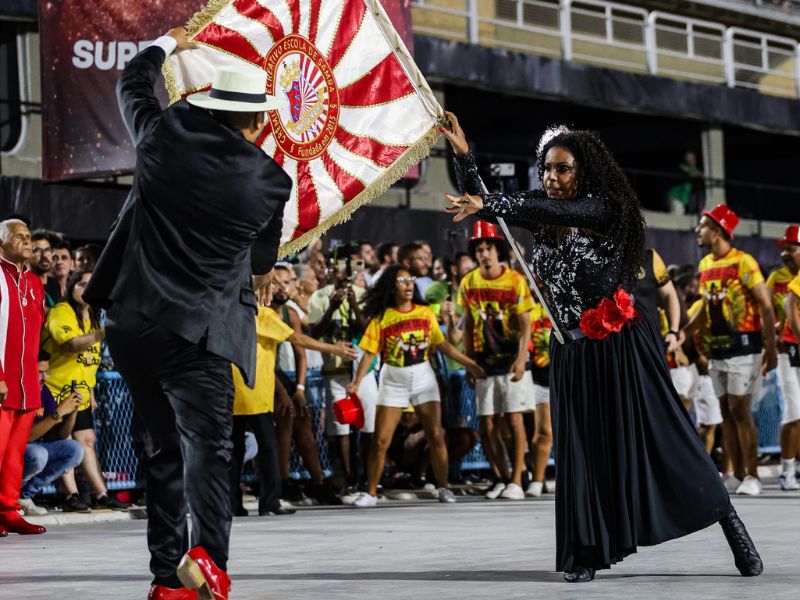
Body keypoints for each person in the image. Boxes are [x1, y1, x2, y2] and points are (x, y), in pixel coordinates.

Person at [441, 113, 761, 582]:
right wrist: (465, 154)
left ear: (584, 170)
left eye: (563, 168)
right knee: (583, 455)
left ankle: (729, 522)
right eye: (547, 168)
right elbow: (495, 206)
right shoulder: (539, 206)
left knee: (666, 442)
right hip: (573, 352)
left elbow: (550, 212)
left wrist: (491, 202)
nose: (551, 177)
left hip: (623, 349)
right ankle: (585, 554)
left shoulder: (604, 210)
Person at [83, 28, 292, 600]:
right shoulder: (272, 181)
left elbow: (132, 79)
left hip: (130, 324)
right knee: (209, 448)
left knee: (163, 448)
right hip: (198, 331)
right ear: (258, 123)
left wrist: (167, 44)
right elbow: (260, 261)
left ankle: (163, 577)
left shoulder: (161, 135)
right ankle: (209, 562)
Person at [346, 265, 486, 506]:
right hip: (393, 378)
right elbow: (369, 353)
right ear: (392, 287)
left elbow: (444, 346)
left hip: (423, 376)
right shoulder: (383, 317)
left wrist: (470, 364)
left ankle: (443, 488)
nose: (408, 284)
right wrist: (356, 382)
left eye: (410, 280)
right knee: (380, 440)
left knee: (436, 434)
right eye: (402, 281)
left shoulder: (424, 313)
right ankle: (370, 493)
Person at [229, 274, 356, 517]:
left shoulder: (234, 309)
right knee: (268, 448)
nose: (278, 286)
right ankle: (270, 501)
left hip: (234, 391)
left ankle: (233, 504)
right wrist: (334, 348)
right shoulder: (262, 313)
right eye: (274, 282)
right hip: (255, 393)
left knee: (234, 451)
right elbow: (296, 339)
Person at [689, 204, 777, 496]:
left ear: (717, 231)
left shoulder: (744, 262)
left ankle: (752, 474)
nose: (697, 230)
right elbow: (703, 309)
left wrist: (770, 348)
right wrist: (684, 334)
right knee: (726, 411)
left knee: (740, 409)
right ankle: (735, 473)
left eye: (702, 226)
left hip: (744, 347)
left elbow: (765, 305)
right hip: (718, 349)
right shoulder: (704, 266)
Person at [459, 221, 535, 501]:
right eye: (479, 249)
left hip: (512, 361)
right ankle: (501, 476)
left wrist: (520, 359)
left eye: (488, 247)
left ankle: (517, 478)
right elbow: (467, 325)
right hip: (484, 362)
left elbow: (526, 324)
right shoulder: (469, 282)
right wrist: (469, 362)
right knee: (487, 423)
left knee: (514, 419)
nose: (483, 253)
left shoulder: (514, 280)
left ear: (498, 249)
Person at [42, 270, 125, 510]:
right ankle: (72, 495)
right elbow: (71, 344)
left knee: (87, 440)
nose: (86, 290)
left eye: (91, 285)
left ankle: (101, 494)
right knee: (65, 441)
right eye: (81, 284)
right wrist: (101, 333)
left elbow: (91, 360)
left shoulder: (95, 316)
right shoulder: (62, 311)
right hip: (56, 390)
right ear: (71, 287)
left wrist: (89, 389)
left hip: (80, 391)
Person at [0, 219, 47, 537]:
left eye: (29, 237)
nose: (27, 242)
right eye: (19, 237)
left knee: (15, 454)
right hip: (3, 383)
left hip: (27, 384)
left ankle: (8, 510)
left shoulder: (34, 282)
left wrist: (36, 379)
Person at [20, 353, 84, 517]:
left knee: (74, 449)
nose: (45, 378)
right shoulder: (20, 390)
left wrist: (72, 411)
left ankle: (24, 496)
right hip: (18, 448)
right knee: (38, 454)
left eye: (47, 372)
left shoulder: (44, 390)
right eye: (40, 372)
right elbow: (26, 438)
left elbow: (58, 436)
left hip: (35, 447)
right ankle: (9, 494)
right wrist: (58, 412)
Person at [767, 225, 800, 491]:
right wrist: (770, 338)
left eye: (791, 248)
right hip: (787, 349)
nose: (786, 254)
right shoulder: (776, 278)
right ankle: (787, 471)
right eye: (785, 249)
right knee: (794, 411)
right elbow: (765, 312)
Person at [525, 300, 553, 497]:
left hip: (566, 377)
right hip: (538, 378)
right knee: (537, 432)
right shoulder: (534, 312)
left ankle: (537, 479)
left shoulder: (570, 306)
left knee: (546, 431)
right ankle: (537, 478)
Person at [29, 230, 61, 309]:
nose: (44, 256)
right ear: (26, 255)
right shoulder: (23, 284)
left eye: (47, 250)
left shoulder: (54, 283)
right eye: (37, 251)